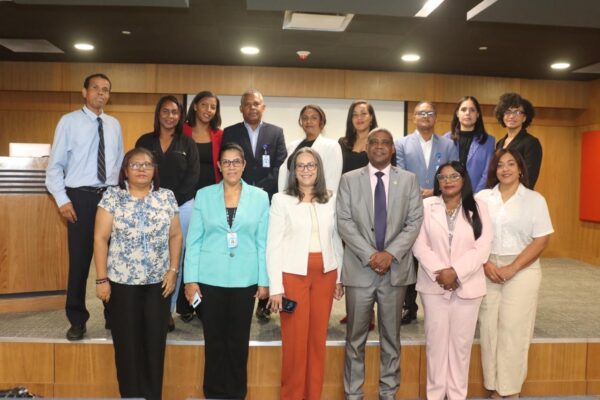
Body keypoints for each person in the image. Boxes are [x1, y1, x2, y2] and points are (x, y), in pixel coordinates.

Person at [337, 128, 423, 400]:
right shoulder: (349, 180)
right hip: (359, 269)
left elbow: (414, 221)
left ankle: (388, 392)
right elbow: (344, 222)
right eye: (373, 142)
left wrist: (390, 254)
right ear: (366, 147)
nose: (379, 146)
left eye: (385, 143)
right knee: (355, 338)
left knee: (391, 338)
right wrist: (371, 255)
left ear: (392, 149)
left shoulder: (408, 180)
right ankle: (353, 393)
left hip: (395, 271)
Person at [94, 148, 182, 400]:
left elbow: (176, 235)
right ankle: (131, 396)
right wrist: (101, 279)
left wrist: (173, 270)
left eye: (147, 164)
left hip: (159, 283)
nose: (142, 169)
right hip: (122, 284)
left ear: (155, 170)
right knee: (127, 346)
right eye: (135, 165)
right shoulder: (113, 197)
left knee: (155, 345)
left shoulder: (166, 196)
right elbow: (100, 238)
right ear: (125, 170)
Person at [184, 142, 270, 400]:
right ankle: (213, 393)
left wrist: (264, 281)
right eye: (226, 162)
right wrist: (190, 280)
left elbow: (263, 242)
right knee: (214, 340)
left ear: (244, 165)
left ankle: (236, 393)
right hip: (210, 278)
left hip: (245, 279)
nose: (231, 166)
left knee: (238, 341)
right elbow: (194, 240)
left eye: (236, 161)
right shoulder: (204, 195)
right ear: (219, 166)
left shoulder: (260, 197)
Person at [45, 73, 124, 341]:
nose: (101, 93)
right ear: (84, 92)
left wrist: (119, 196)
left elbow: (119, 163)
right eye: (96, 88)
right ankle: (77, 319)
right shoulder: (68, 122)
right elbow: (54, 166)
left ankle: (113, 315)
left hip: (109, 197)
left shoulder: (113, 124)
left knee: (114, 260)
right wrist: (62, 199)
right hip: (79, 197)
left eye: (106, 90)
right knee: (79, 262)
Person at [267, 147, 344, 400]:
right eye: (300, 165)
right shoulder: (281, 200)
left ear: (319, 169)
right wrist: (276, 287)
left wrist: (339, 277)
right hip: (292, 277)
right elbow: (273, 245)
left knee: (317, 341)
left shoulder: (330, 198)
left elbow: (336, 239)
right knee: (295, 342)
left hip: (325, 275)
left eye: (311, 165)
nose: (306, 170)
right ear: (293, 171)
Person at [476, 149, 554, 398]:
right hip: (487, 268)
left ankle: (509, 391)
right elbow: (472, 236)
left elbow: (541, 240)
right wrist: (485, 264)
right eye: (500, 165)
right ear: (494, 170)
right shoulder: (482, 198)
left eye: (511, 164)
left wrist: (513, 267)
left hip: (522, 270)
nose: (505, 169)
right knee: (489, 330)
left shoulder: (534, 199)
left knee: (514, 330)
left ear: (520, 169)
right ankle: (493, 386)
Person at [413, 161, 492, 400]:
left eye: (454, 176)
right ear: (437, 182)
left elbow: (483, 247)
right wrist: (442, 272)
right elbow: (419, 245)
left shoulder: (479, 207)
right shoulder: (427, 206)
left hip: (468, 286)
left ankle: (457, 395)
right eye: (443, 177)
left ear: (463, 179)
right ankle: (435, 395)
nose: (448, 181)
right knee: (435, 346)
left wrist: (456, 272)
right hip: (433, 285)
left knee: (460, 347)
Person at [135, 95, 200, 331]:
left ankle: (167, 311)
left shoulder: (187, 143)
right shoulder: (145, 140)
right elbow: (137, 171)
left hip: (182, 208)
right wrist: (157, 202)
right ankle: (146, 307)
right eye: (165, 111)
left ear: (180, 116)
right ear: (158, 114)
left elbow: (193, 177)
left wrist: (170, 203)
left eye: (175, 112)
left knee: (175, 259)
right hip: (149, 206)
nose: (170, 116)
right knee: (149, 256)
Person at [222, 88, 287, 323]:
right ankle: (238, 291)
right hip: (235, 197)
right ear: (241, 108)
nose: (252, 107)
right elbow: (227, 164)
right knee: (240, 244)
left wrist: (259, 189)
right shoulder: (230, 132)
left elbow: (281, 165)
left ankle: (264, 302)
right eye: (248, 104)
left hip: (266, 198)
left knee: (265, 246)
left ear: (263, 107)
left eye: (256, 104)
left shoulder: (276, 132)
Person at [395, 101, 458, 325]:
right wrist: (417, 191)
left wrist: (435, 190)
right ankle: (408, 306)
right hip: (410, 206)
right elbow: (399, 172)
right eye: (421, 113)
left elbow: (454, 172)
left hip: (440, 205)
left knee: (440, 252)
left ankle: (446, 296)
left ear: (435, 117)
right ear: (413, 117)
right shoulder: (401, 143)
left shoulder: (448, 144)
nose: (425, 116)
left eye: (430, 113)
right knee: (409, 258)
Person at [178, 90, 223, 322]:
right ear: (195, 106)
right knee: (186, 249)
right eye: (204, 105)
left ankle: (203, 303)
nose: (208, 110)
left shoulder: (219, 134)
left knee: (207, 250)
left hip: (212, 199)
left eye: (213, 107)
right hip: (186, 198)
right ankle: (184, 303)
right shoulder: (181, 131)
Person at [278, 104, 343, 193]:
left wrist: (325, 200)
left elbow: (332, 182)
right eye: (305, 118)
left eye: (314, 118)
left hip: (317, 199)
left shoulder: (332, 146)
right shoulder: (292, 146)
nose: (309, 121)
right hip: (290, 196)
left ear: (321, 122)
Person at [445, 96, 496, 192]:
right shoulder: (446, 139)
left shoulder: (488, 141)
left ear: (477, 114)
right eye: (463, 110)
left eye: (472, 110)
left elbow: (487, 173)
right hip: (449, 194)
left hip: (476, 194)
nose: (467, 113)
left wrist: (475, 196)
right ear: (457, 113)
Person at [494, 92, 542, 189]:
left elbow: (529, 177)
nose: (512, 116)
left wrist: (511, 194)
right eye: (508, 112)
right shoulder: (500, 143)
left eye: (517, 112)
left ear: (524, 118)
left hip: (520, 195)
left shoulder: (531, 142)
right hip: (499, 193)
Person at [338, 100, 378, 174]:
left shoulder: (380, 143)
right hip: (346, 181)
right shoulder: (342, 143)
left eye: (363, 114)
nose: (359, 118)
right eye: (355, 115)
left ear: (371, 117)